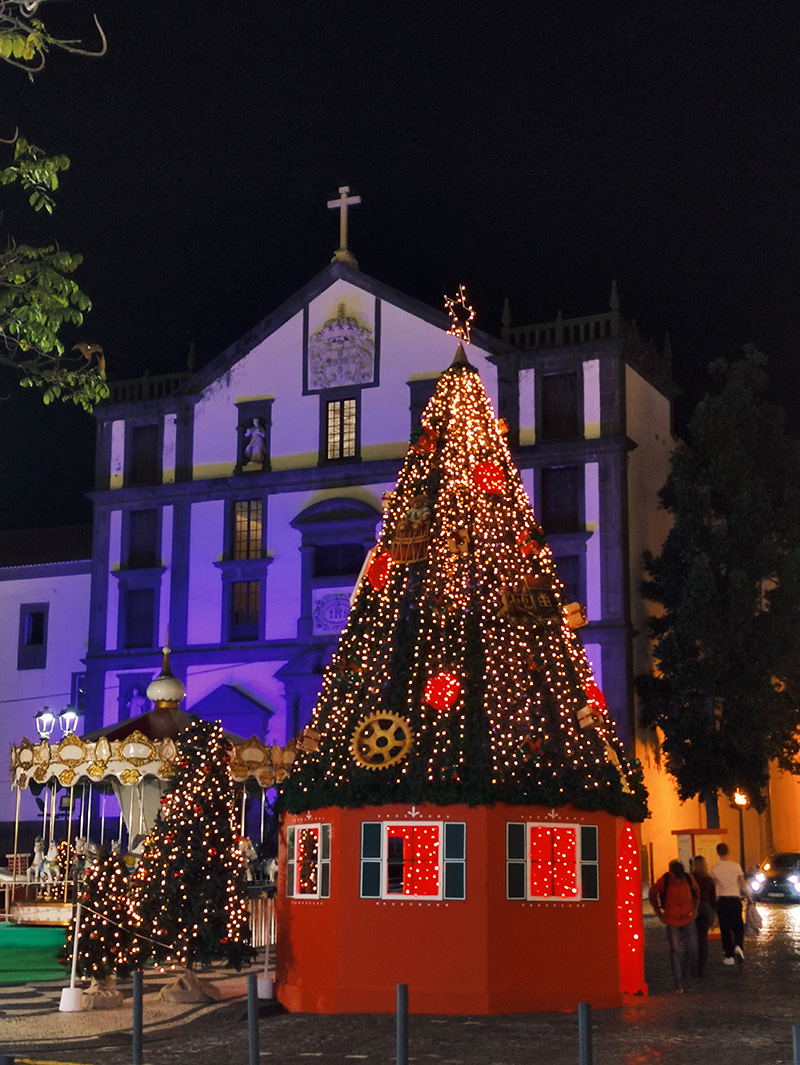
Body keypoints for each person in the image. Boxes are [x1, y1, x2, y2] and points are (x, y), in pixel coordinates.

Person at [648, 859, 700, 993]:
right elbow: (652, 894)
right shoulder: (665, 880)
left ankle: (685, 977)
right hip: (673, 920)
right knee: (676, 951)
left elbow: (696, 892)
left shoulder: (687, 878)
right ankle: (679, 982)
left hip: (686, 918)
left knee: (691, 949)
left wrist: (695, 908)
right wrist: (659, 913)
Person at [711, 841, 750, 964]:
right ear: (728, 851)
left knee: (725, 928)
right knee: (738, 924)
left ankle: (729, 956)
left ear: (718, 853)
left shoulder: (714, 869)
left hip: (722, 900)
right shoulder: (736, 866)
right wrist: (749, 896)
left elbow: (713, 887)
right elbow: (742, 884)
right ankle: (738, 945)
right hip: (734, 899)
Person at [690, 854, 717, 976]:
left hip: (694, 908)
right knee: (703, 939)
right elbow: (713, 898)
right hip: (705, 908)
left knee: (693, 938)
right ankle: (702, 967)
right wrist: (715, 914)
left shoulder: (691, 878)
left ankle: (693, 966)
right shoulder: (708, 879)